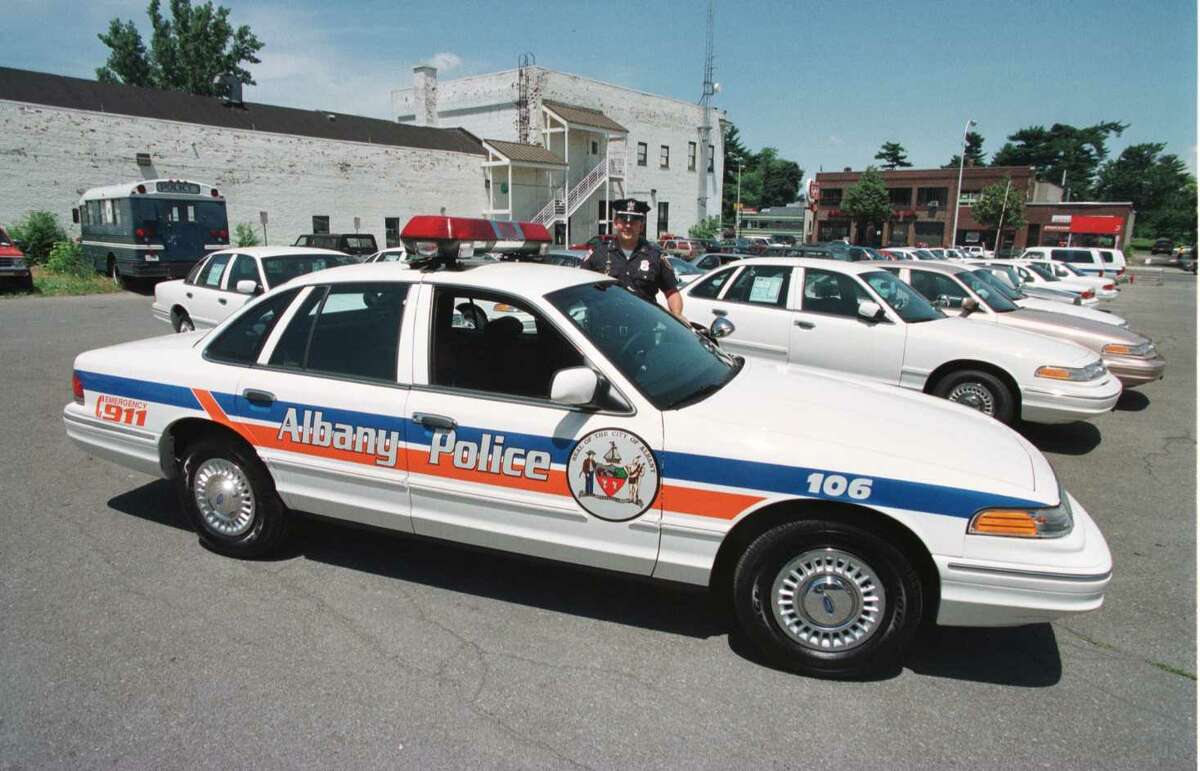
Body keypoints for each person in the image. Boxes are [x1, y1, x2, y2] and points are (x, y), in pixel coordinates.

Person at [582, 198, 684, 320]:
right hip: (603, 328)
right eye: (624, 221)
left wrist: (677, 314)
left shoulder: (654, 256)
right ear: (615, 223)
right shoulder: (598, 253)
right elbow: (579, 287)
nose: (628, 225)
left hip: (642, 329)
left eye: (634, 222)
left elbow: (671, 292)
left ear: (641, 226)